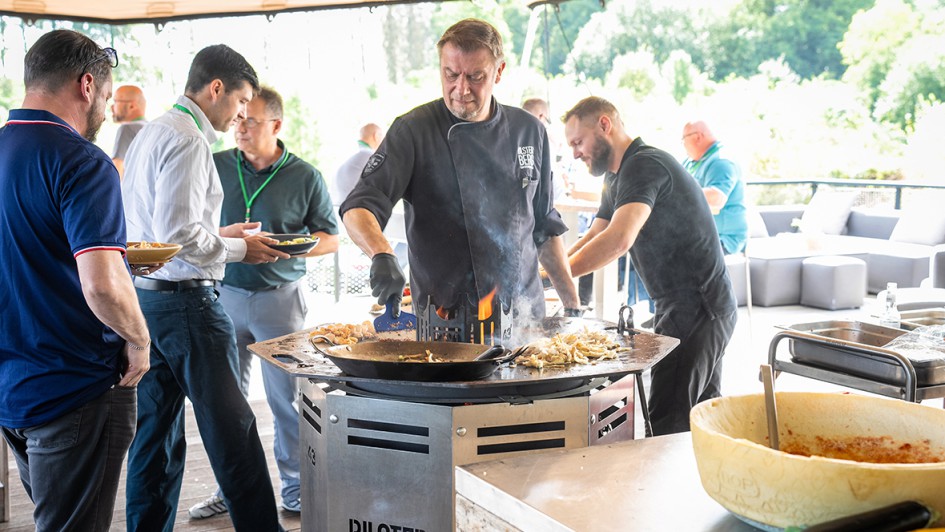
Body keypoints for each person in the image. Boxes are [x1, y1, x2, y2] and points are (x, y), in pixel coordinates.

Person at [121, 44, 287, 532]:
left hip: (148, 302)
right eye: (240, 103)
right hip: (189, 306)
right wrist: (240, 250)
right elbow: (179, 237)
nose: (239, 115)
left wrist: (220, 236)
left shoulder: (152, 132)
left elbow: (154, 239)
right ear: (216, 89)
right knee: (233, 433)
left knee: (155, 437)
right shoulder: (191, 140)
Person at [0, 29, 151, 531]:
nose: (106, 111)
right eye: (108, 97)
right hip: (76, 386)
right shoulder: (83, 162)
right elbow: (102, 285)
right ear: (87, 85)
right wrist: (139, 337)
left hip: (14, 389)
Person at [340, 18, 579, 324]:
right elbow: (359, 205)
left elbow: (545, 227)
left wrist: (572, 305)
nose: (461, 88)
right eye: (450, 74)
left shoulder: (529, 131)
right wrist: (381, 253)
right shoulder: (413, 131)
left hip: (524, 321)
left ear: (499, 72)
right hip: (445, 323)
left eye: (475, 76)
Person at [187, 86, 340, 519]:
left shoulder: (305, 175)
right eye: (237, 119)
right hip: (222, 297)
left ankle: (295, 489)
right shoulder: (214, 165)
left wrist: (289, 248)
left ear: (276, 124)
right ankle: (227, 488)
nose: (239, 127)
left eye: (250, 121)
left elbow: (330, 237)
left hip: (281, 302)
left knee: (287, 401)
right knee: (225, 403)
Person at [561, 96, 737, 435]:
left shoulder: (644, 165)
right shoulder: (616, 177)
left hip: (699, 307)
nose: (575, 153)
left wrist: (557, 281)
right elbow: (594, 234)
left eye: (578, 142)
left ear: (604, 125)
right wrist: (549, 273)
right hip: (687, 306)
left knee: (668, 423)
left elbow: (619, 239)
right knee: (699, 423)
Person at [681, 120, 748, 255]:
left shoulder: (721, 161)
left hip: (722, 239)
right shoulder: (691, 161)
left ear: (698, 137)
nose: (683, 144)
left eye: (684, 139)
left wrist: (677, 193)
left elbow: (717, 198)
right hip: (697, 235)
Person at [332, 122, 384, 206]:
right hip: (356, 208)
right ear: (376, 136)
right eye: (382, 136)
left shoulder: (350, 155)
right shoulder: (372, 157)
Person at [110, 84, 147, 177]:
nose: (111, 107)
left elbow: (117, 168)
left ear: (132, 106)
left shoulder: (127, 129)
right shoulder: (150, 128)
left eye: (115, 101)